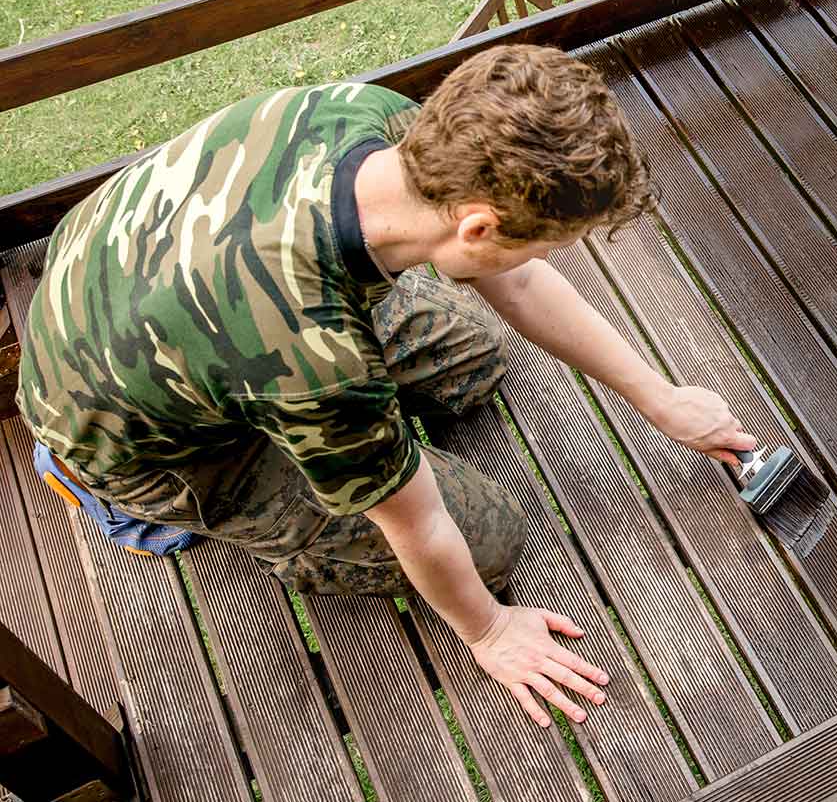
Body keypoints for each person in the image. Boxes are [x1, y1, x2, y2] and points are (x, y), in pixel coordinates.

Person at [17, 44, 759, 729]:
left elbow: (520, 281)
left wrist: (661, 398)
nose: (553, 257)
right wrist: (490, 630)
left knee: (467, 362)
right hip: (137, 436)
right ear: (475, 226)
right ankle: (104, 493)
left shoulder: (375, 117)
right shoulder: (315, 360)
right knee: (485, 538)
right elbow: (416, 527)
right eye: (553, 241)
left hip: (143, 275)